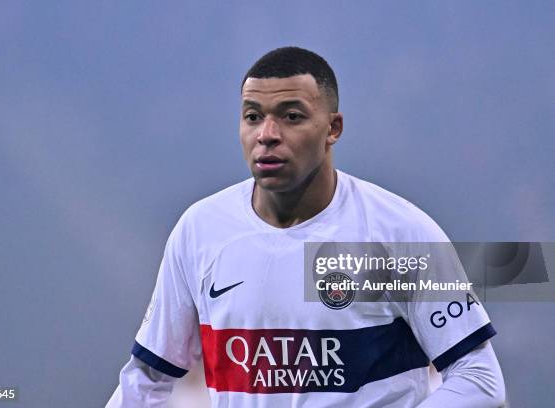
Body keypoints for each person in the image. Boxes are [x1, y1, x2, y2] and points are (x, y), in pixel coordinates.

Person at [106, 47, 505, 407]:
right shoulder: (200, 231)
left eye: (291, 117)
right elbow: (147, 380)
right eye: (252, 117)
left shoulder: (401, 232)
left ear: (333, 129)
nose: (267, 135)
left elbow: (479, 380)